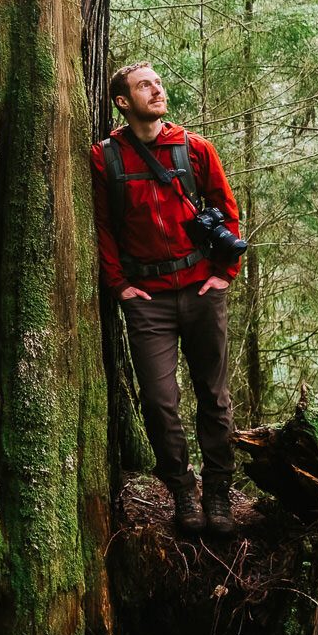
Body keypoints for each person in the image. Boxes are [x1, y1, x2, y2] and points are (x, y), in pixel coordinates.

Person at [91, 62, 241, 535]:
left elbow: (228, 212)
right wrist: (120, 287)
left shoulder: (195, 149)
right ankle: (182, 490)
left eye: (157, 83)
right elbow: (103, 228)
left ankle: (218, 491)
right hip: (148, 300)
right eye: (144, 86)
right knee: (158, 401)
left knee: (214, 397)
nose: (156, 91)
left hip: (201, 289)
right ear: (122, 101)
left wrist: (223, 275)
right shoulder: (106, 158)